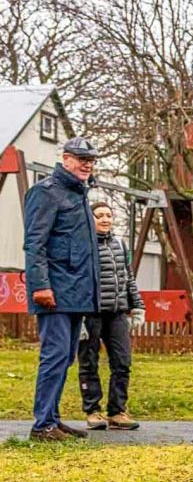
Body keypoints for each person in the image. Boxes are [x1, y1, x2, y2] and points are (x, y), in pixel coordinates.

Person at [23, 137, 101, 442]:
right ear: (66, 158)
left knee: (66, 356)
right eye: (81, 158)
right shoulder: (46, 192)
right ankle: (42, 425)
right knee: (54, 356)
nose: (86, 164)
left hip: (77, 292)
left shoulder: (79, 194)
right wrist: (40, 285)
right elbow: (35, 243)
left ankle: (52, 419)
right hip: (54, 291)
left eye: (90, 160)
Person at [77, 201, 146, 431]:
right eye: (99, 216)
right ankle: (93, 411)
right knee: (89, 362)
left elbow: (128, 278)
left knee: (123, 362)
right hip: (91, 312)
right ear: (90, 218)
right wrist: (79, 317)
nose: (105, 219)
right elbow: (77, 280)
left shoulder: (119, 244)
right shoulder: (83, 245)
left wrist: (137, 305)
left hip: (117, 312)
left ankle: (117, 411)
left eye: (108, 215)